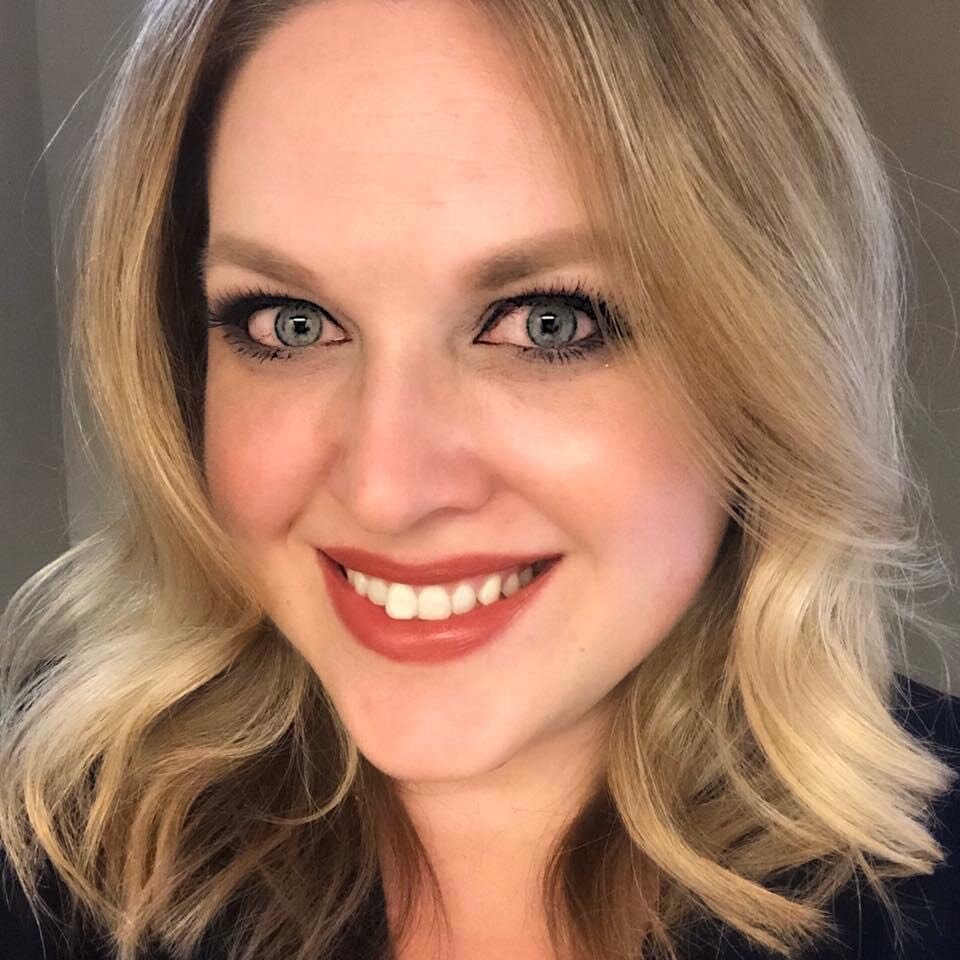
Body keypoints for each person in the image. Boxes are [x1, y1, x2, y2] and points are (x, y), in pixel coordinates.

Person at [1, 0, 958, 958]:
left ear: (766, 361)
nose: (386, 490)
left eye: (547, 322)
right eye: (291, 322)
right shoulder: (49, 850)